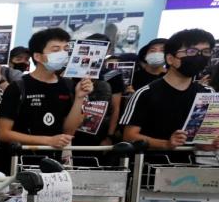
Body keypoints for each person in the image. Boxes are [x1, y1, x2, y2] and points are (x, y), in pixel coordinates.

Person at [121, 28, 218, 161]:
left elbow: (203, 142)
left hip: (189, 169)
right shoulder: (145, 93)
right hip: (148, 168)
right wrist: (166, 144)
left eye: (205, 52)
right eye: (191, 51)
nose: (199, 56)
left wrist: (211, 143)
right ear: (170, 59)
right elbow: (129, 135)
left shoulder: (207, 93)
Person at [0, 27, 93, 154]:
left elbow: (68, 131)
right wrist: (47, 141)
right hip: (20, 160)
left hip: (54, 161)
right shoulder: (18, 87)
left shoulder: (68, 85)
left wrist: (80, 97)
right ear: (38, 56)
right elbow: (4, 133)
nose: (63, 53)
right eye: (56, 49)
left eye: (65, 49)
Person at [73, 33, 126, 147]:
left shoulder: (113, 75)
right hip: (72, 132)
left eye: (101, 48)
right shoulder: (72, 74)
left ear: (108, 51)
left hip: (99, 133)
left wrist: (109, 136)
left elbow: (115, 108)